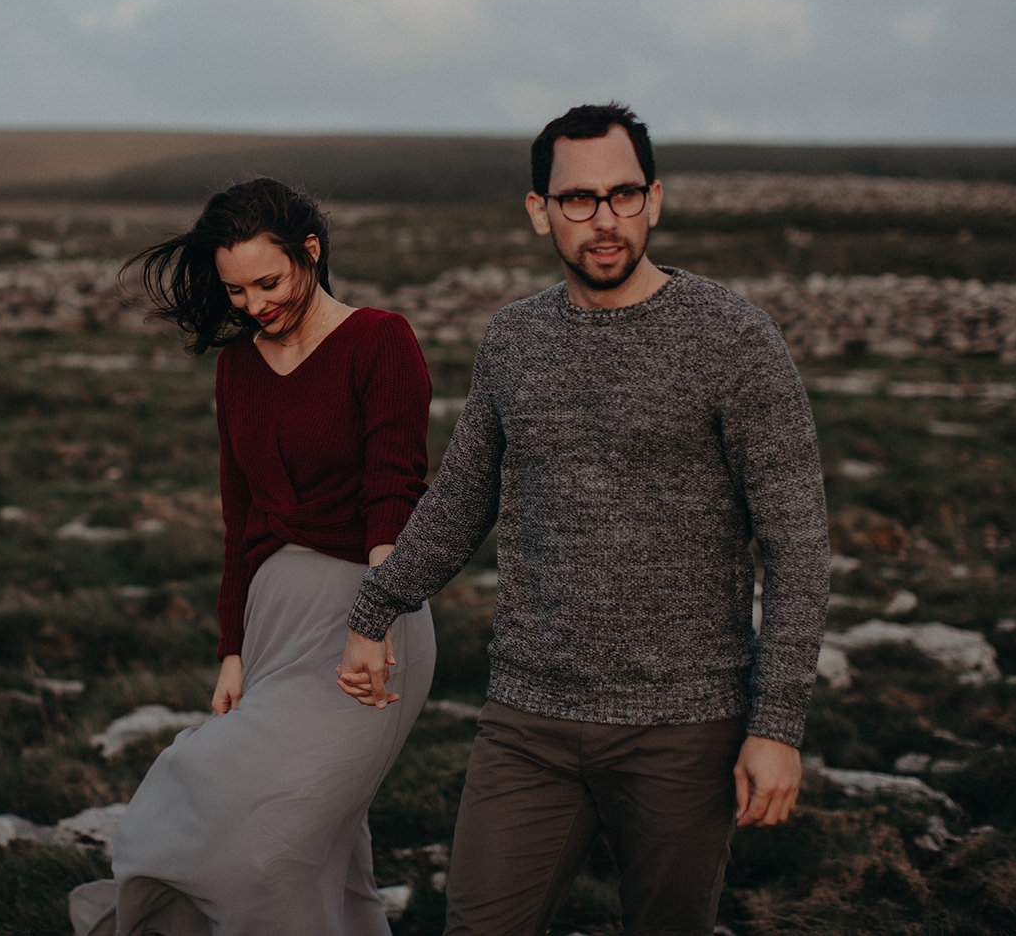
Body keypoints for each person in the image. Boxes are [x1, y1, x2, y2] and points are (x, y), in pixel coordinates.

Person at [337, 103, 830, 936]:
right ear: (540, 211)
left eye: (624, 194)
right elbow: (461, 499)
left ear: (655, 200)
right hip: (529, 718)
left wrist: (776, 725)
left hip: (683, 728)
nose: (605, 220)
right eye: (578, 200)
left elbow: (797, 544)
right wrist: (375, 608)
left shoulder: (733, 339)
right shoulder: (514, 339)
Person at [71, 176, 438, 936]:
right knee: (323, 851)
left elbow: (394, 490)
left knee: (264, 844)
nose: (254, 305)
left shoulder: (380, 340)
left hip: (366, 618)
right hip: (272, 625)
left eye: (267, 282)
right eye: (235, 292)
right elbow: (241, 520)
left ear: (311, 251)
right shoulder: (236, 367)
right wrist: (232, 649)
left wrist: (376, 617)